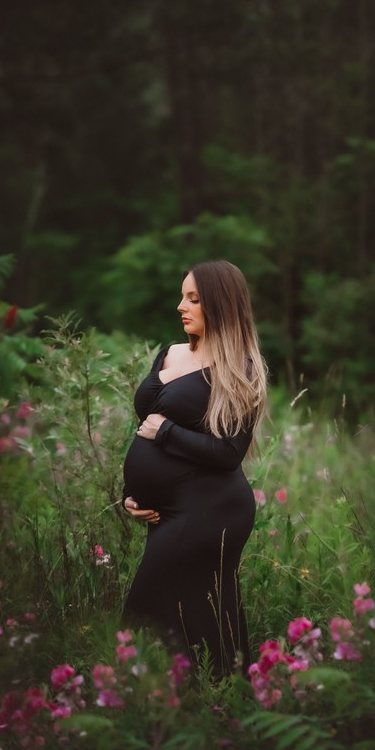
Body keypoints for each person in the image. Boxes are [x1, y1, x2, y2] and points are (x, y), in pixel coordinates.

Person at [121, 260, 267, 677]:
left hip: (211, 509)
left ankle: (152, 698)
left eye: (194, 299)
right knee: (193, 617)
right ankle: (217, 703)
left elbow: (228, 454)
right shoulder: (169, 353)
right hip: (169, 511)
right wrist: (131, 494)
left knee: (144, 615)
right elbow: (141, 429)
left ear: (219, 304)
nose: (180, 306)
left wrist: (166, 432)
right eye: (183, 296)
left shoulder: (241, 368)